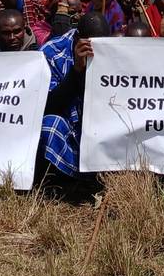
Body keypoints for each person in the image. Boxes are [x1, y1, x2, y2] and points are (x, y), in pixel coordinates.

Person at [40, 12, 112, 176]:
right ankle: (61, 182)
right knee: (49, 126)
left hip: (102, 127)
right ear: (77, 38)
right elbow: (47, 105)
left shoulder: (114, 49)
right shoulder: (51, 53)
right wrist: (77, 70)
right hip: (70, 128)